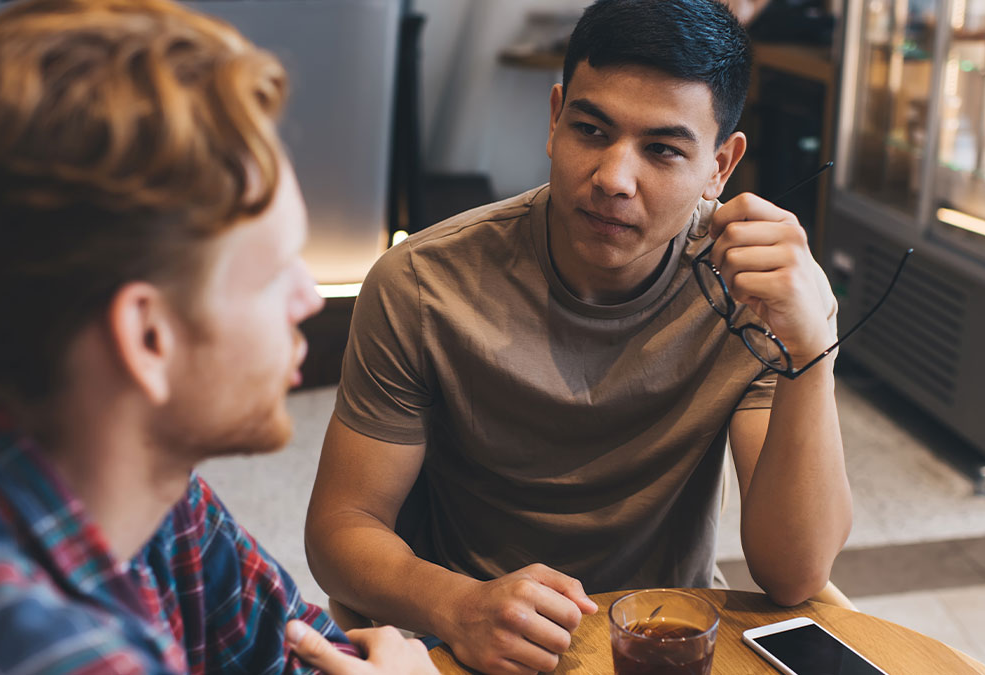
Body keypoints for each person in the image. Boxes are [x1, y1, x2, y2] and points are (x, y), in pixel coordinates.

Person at [0, 1, 437, 673]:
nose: (310, 298)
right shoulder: (28, 646)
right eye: (273, 273)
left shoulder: (140, 474)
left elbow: (309, 652)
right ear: (147, 338)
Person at [305, 0, 851, 673]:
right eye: (592, 130)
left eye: (663, 149)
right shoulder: (421, 282)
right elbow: (341, 527)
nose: (614, 179)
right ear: (555, 117)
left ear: (720, 164)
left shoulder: (745, 293)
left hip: (658, 641)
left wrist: (811, 353)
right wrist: (459, 604)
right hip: (474, 641)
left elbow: (793, 575)